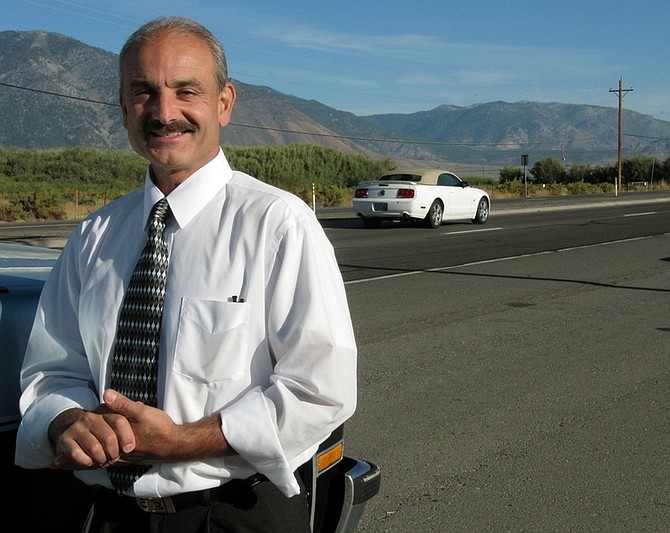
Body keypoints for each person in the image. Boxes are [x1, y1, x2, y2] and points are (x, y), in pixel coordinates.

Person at [15, 16, 357, 533]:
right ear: (123, 105)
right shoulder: (93, 236)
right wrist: (66, 421)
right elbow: (52, 372)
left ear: (224, 103)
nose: (164, 112)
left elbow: (320, 388)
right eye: (144, 92)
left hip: (231, 514)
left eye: (185, 91)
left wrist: (183, 441)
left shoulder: (278, 224)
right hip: (106, 516)